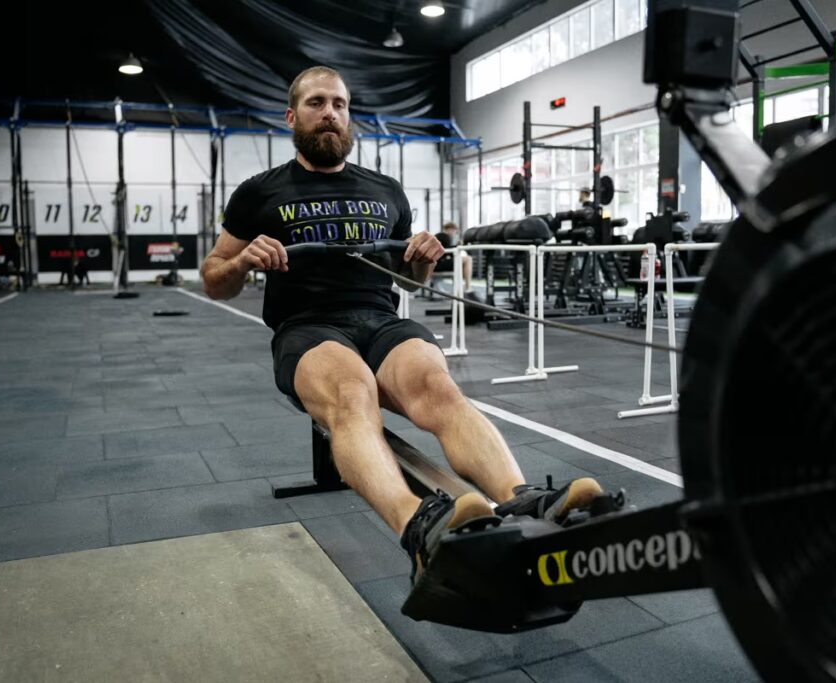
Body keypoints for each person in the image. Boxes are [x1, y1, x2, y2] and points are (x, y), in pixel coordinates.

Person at [200, 66, 603, 584]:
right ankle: (417, 528)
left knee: (439, 389)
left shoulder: (386, 190)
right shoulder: (260, 192)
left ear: (349, 118)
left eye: (340, 105)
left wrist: (425, 259)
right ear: (292, 116)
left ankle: (523, 499)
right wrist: (241, 262)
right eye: (317, 103)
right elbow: (214, 278)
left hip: (382, 322)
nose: (330, 113)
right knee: (353, 392)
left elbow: (409, 283)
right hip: (309, 329)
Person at [435, 222, 474, 293]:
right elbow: (448, 252)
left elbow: (446, 252)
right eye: (454, 231)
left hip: (435, 263)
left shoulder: (439, 236)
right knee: (468, 259)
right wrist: (458, 247)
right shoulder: (445, 236)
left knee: (461, 261)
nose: (454, 234)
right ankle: (468, 287)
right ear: (450, 229)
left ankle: (461, 288)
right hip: (438, 265)